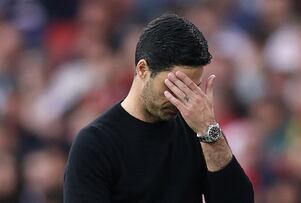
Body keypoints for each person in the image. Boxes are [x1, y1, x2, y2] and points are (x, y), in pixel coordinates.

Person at [64, 14, 254, 203]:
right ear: (142, 69)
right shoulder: (96, 143)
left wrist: (210, 132)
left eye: (192, 87)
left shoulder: (199, 130)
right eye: (173, 85)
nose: (181, 96)